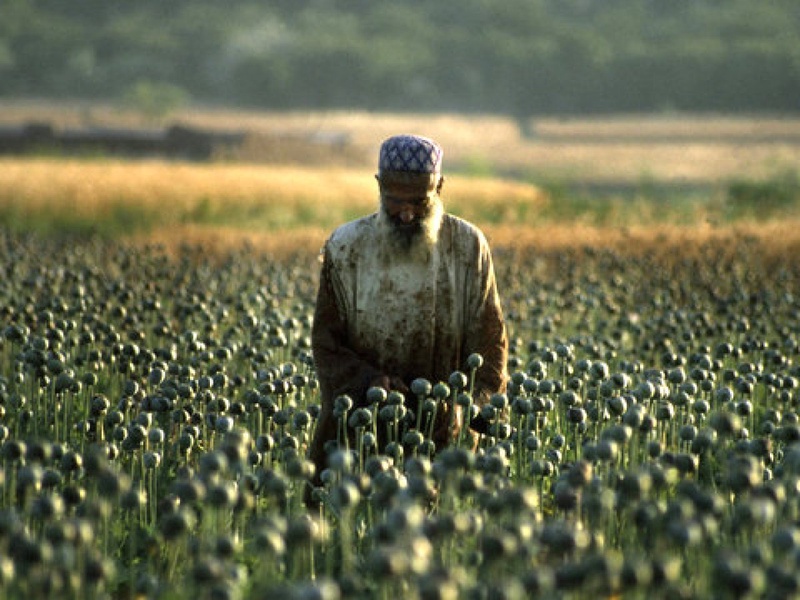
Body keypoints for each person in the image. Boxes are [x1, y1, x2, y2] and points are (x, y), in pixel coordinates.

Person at [308, 133, 508, 487]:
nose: (406, 213)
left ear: (439, 187)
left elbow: (490, 344)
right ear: (378, 186)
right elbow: (327, 345)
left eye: (419, 201)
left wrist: (467, 409)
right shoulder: (346, 247)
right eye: (394, 200)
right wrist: (369, 382)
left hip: (443, 439)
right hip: (358, 438)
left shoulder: (467, 247)